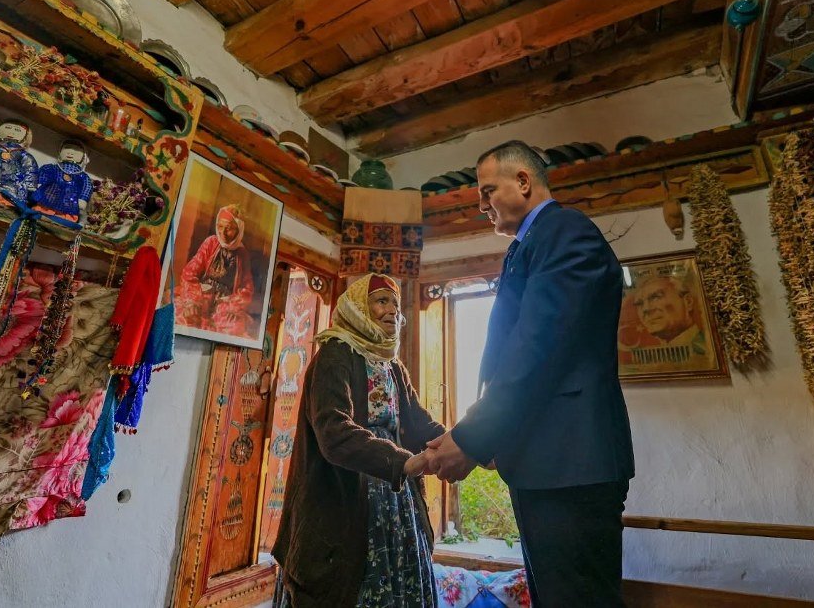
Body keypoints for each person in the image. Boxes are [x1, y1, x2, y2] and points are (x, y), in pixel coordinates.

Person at [426, 140, 635, 606]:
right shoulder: (528, 246)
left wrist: (473, 437)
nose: (481, 205)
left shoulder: (565, 232)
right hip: (547, 462)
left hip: (571, 463)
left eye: (487, 191)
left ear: (523, 181)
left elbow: (538, 349)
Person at [272, 273, 445, 608]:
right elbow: (334, 433)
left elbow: (418, 422)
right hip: (346, 498)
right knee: (346, 585)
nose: (392, 310)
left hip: (396, 499)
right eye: (381, 301)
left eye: (396, 305)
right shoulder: (335, 355)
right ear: (358, 308)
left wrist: (464, 444)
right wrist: (402, 462)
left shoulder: (392, 366)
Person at [177, 204, 254, 336]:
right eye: (220, 226)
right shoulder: (211, 242)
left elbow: (247, 288)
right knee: (185, 317)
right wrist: (193, 300)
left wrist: (233, 306)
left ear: (239, 230)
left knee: (235, 327)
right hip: (202, 295)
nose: (222, 233)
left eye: (229, 228)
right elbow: (189, 273)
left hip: (224, 303)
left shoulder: (242, 254)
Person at [630, 274, 705, 350]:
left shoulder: (707, 346)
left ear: (688, 302)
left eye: (656, 297)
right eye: (639, 304)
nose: (646, 309)